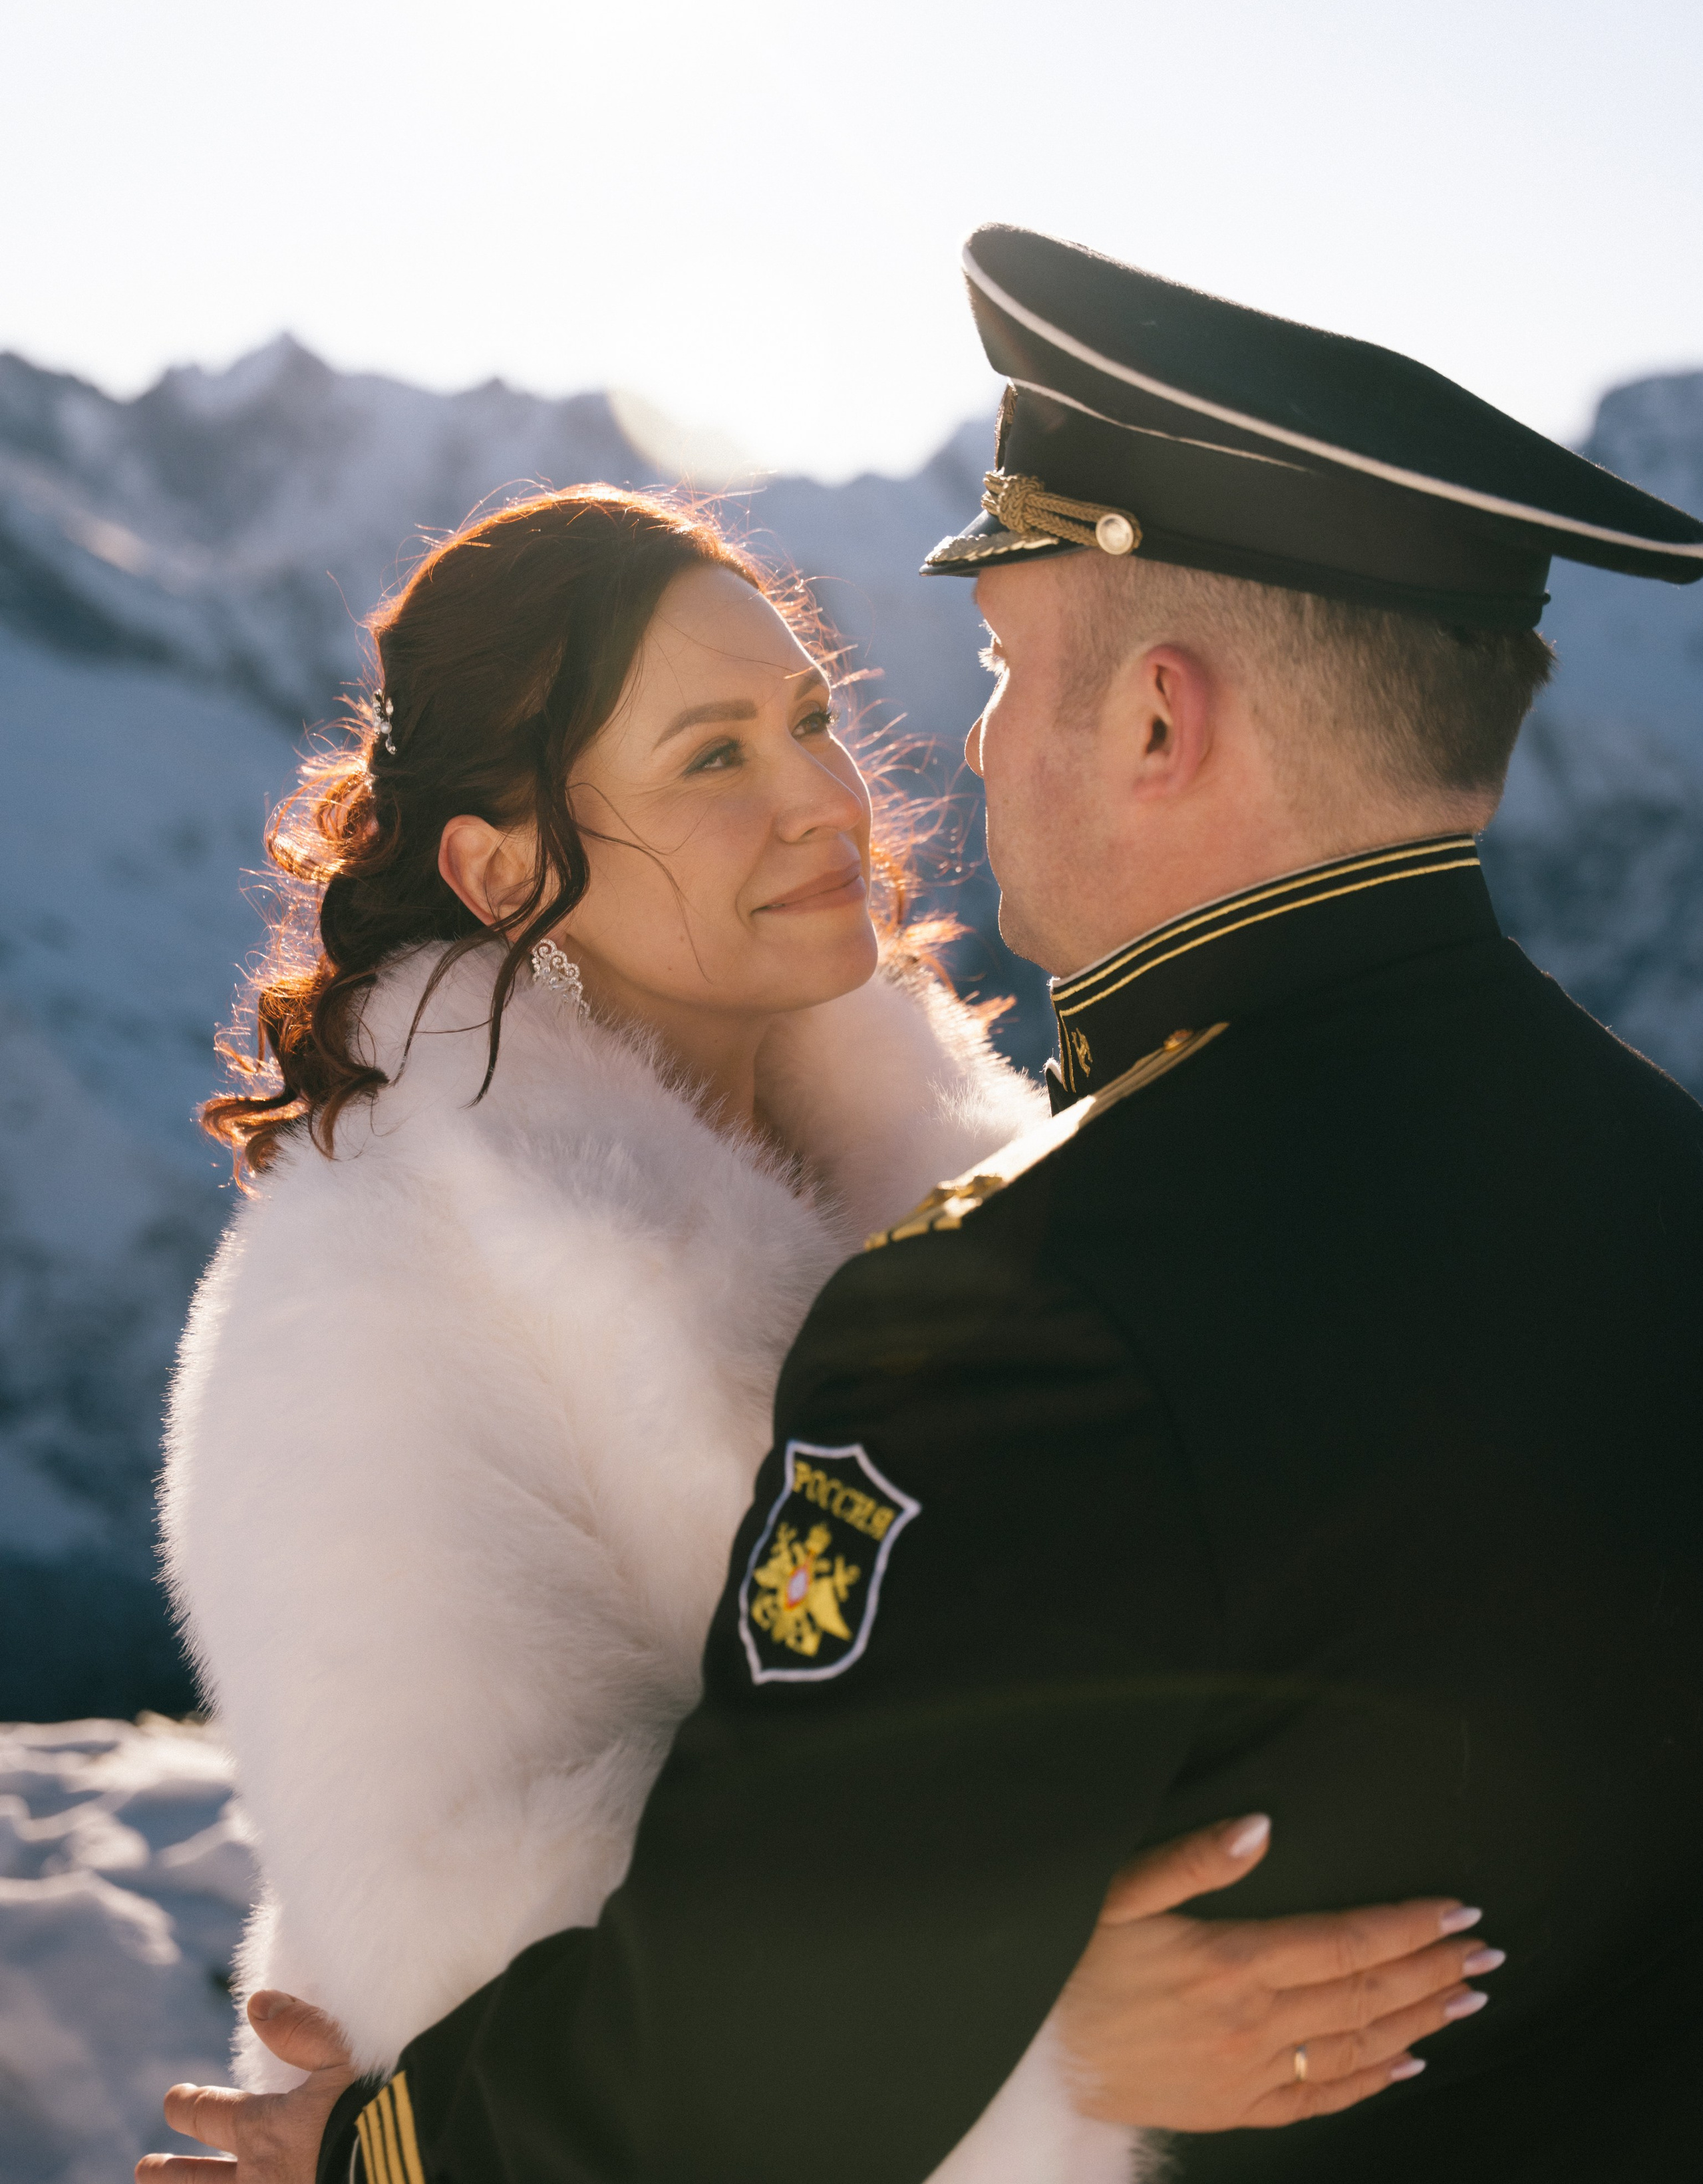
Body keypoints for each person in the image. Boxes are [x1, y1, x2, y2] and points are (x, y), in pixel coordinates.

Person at [144, 486, 1488, 2184]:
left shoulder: (976, 1165)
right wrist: (1056, 2040)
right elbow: (459, 1938)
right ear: (501, 870)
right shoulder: (364, 1290)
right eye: (712, 756)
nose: (822, 797)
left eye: (806, 717)